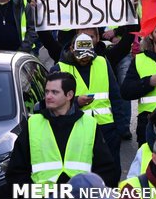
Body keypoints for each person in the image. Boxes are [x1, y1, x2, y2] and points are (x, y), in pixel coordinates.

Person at [6, 72, 116, 199]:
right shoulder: (33, 124)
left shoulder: (90, 125)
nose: (48, 96)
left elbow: (106, 171)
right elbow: (16, 172)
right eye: (47, 91)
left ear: (69, 95)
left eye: (54, 92)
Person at [52, 33, 124, 182]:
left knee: (110, 174)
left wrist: (120, 128)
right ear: (72, 49)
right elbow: (52, 104)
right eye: (81, 55)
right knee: (81, 176)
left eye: (88, 55)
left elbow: (116, 96)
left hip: (106, 129)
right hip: (77, 131)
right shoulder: (59, 69)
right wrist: (76, 102)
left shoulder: (102, 63)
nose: (85, 59)